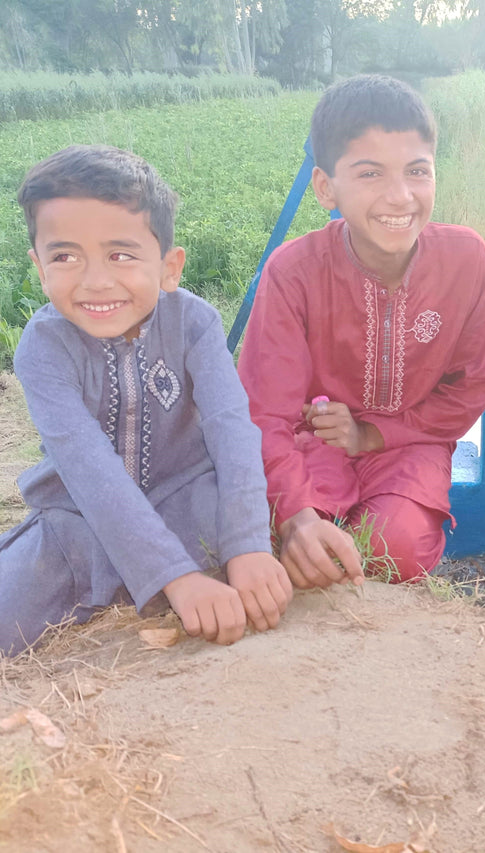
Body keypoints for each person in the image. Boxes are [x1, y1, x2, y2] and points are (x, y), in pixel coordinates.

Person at [0, 145, 292, 656]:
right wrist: (176, 576)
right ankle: (147, 577)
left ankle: (185, 566)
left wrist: (247, 545)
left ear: (168, 267)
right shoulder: (43, 348)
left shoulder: (195, 324)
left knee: (237, 533)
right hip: (79, 523)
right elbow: (89, 471)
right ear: (40, 268)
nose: (95, 281)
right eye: (65, 256)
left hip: (186, 504)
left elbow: (232, 432)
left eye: (121, 254)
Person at [237, 75, 485, 590]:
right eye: (370, 173)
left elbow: (471, 388)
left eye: (417, 171)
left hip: (411, 444)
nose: (399, 197)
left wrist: (373, 434)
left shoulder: (466, 261)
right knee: (295, 538)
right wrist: (296, 517)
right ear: (325, 187)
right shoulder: (293, 272)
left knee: (395, 547)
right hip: (316, 440)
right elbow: (265, 413)